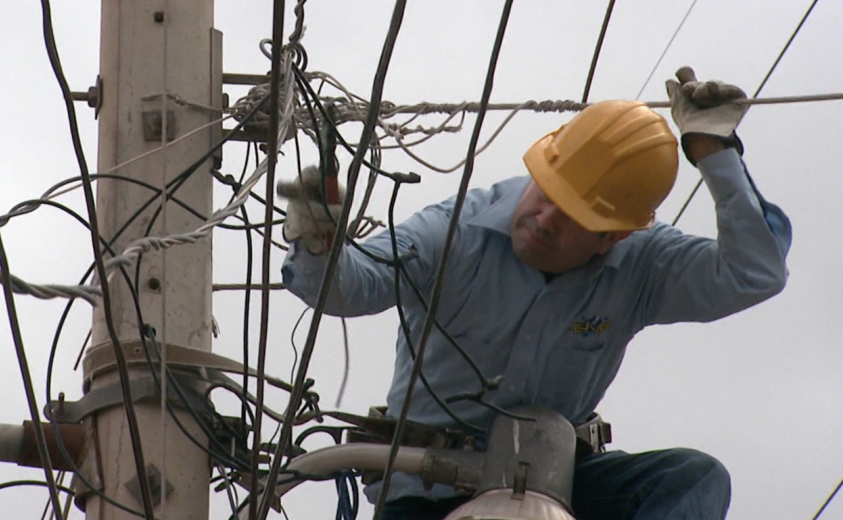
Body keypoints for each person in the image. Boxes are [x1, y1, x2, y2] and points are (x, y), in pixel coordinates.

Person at [279, 67, 792, 520]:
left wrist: (714, 154)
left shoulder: (643, 266)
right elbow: (350, 287)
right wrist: (318, 236)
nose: (544, 220)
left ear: (614, 236)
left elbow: (754, 273)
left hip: (556, 484)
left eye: (573, 217)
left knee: (692, 479)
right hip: (427, 491)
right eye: (546, 191)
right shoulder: (454, 231)